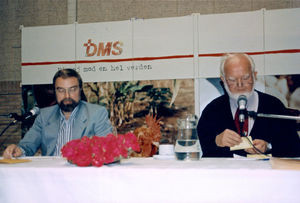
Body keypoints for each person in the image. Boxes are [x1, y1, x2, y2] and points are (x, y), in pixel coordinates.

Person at [197, 53, 300, 157]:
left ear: (254, 76)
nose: (240, 84)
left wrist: (269, 147)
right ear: (223, 80)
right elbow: (205, 149)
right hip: (227, 173)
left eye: (246, 78)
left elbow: (293, 149)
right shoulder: (212, 110)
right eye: (232, 80)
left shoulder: (274, 106)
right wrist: (217, 141)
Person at [3, 69, 113, 158]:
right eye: (61, 90)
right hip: (50, 177)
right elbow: (28, 145)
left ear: (80, 90)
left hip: (82, 175)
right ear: (55, 92)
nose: (67, 96)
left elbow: (106, 149)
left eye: (72, 89)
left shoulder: (97, 114)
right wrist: (18, 150)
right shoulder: (44, 116)